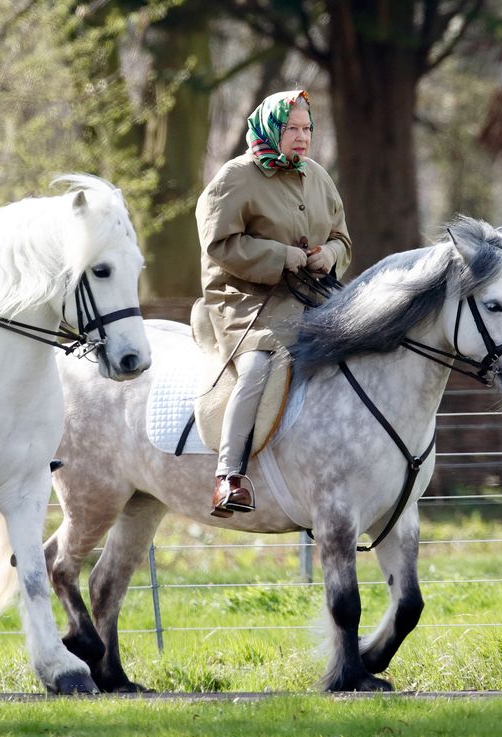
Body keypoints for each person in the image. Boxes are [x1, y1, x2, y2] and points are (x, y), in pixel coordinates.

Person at [194, 89, 351, 518]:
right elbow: (220, 245)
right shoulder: (234, 177)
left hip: (314, 294)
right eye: (291, 129)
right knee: (260, 366)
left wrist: (329, 256)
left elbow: (341, 238)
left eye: (306, 129)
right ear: (270, 129)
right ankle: (228, 477)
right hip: (247, 300)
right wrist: (283, 256)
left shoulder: (318, 176)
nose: (302, 138)